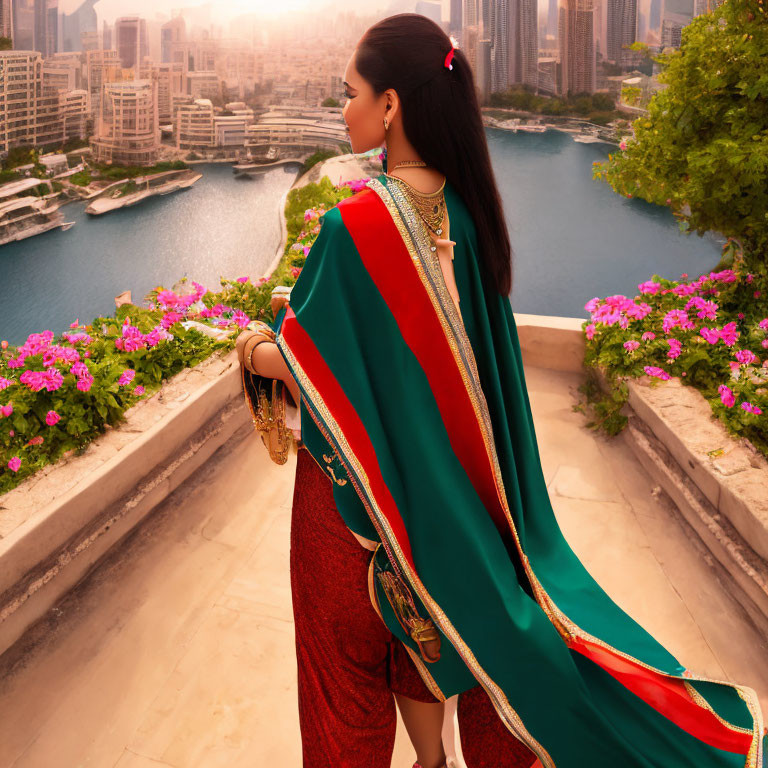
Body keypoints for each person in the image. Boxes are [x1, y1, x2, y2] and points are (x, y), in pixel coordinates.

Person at [236, 12, 767, 768]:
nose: (342, 107)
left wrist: (252, 345)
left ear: (391, 106)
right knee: (428, 632)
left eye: (349, 92)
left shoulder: (351, 231)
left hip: (353, 502)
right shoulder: (470, 213)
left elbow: (309, 362)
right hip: (452, 503)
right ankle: (434, 759)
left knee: (340, 680)